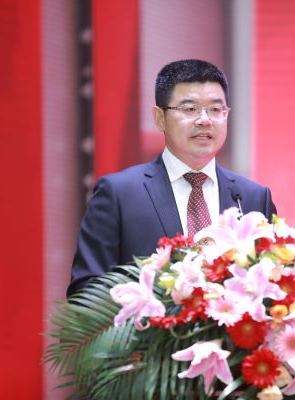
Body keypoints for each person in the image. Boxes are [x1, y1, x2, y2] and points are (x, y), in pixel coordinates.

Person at [67, 59, 277, 297]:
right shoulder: (119, 194)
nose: (205, 120)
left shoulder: (253, 197)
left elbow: (272, 281)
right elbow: (87, 292)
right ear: (160, 118)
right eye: (190, 109)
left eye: (215, 110)